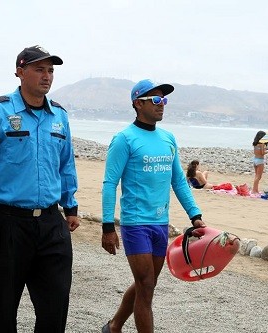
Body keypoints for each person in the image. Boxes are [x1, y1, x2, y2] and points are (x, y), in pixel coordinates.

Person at [0, 45, 79, 333]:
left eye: (50, 70)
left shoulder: (59, 116)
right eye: (39, 69)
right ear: (20, 71)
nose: (46, 76)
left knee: (55, 307)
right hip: (8, 223)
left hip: (52, 224)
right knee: (2, 308)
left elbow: (65, 164)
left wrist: (71, 206)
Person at [101, 79, 207, 333]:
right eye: (156, 100)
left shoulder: (168, 138)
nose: (162, 105)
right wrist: (107, 226)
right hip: (135, 223)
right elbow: (109, 183)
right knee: (146, 284)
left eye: (164, 100)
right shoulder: (124, 139)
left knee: (145, 284)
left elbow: (179, 182)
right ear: (138, 103)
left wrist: (195, 215)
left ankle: (114, 326)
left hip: (160, 224)